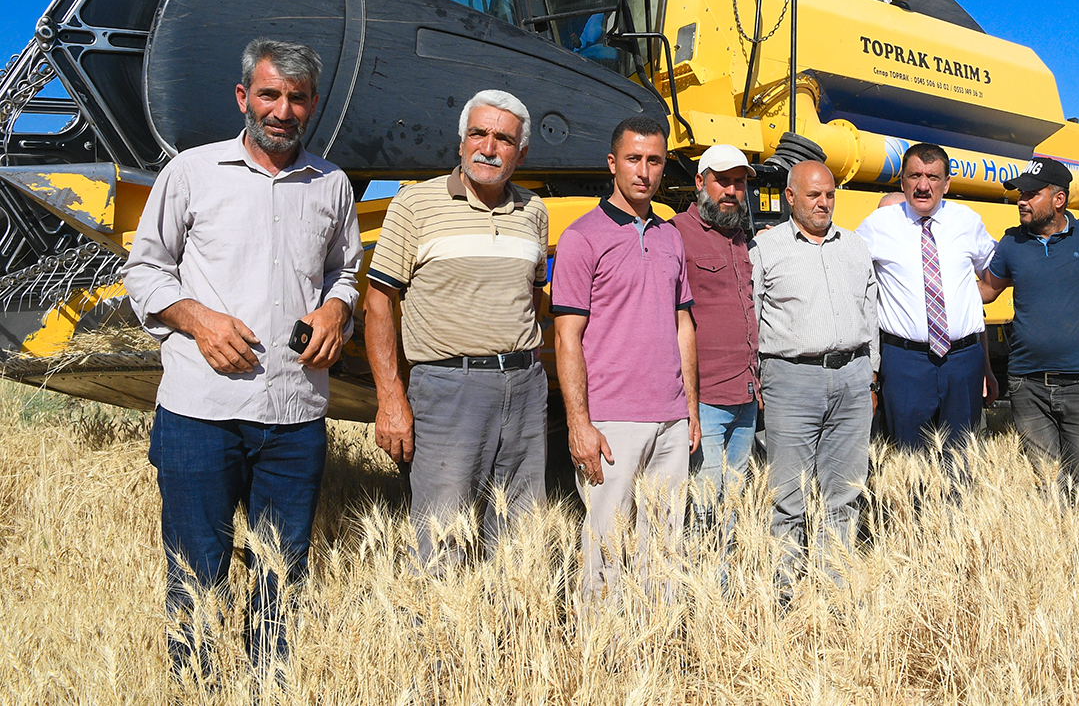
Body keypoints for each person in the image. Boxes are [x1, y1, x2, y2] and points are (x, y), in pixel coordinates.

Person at [124, 38, 362, 675]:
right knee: (196, 565)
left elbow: (345, 273)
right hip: (202, 411)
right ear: (243, 98)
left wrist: (337, 309)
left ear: (313, 105)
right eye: (269, 95)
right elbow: (144, 272)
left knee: (282, 570)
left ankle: (268, 683)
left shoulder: (331, 184)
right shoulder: (191, 173)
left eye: (297, 98)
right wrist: (197, 319)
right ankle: (196, 683)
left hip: (295, 413)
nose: (282, 110)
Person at [363, 90, 551, 567]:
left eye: (504, 139)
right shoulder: (414, 204)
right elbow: (379, 303)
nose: (489, 147)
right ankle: (441, 640)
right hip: (448, 388)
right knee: (442, 540)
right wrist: (390, 398)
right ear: (461, 142)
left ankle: (506, 635)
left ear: (521, 153)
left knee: (519, 540)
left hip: (525, 389)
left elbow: (531, 295)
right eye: (478, 134)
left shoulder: (534, 212)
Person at [551, 116, 699, 596]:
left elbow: (683, 325)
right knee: (607, 549)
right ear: (613, 163)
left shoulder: (670, 235)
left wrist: (690, 409)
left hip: (671, 419)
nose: (644, 171)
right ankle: (604, 654)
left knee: (664, 549)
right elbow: (566, 337)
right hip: (612, 422)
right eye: (634, 159)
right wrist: (579, 423)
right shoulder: (582, 237)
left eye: (654, 161)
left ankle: (656, 653)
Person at [751, 160, 878, 586]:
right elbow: (750, 318)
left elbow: (870, 309)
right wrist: (759, 378)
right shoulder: (766, 250)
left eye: (829, 195)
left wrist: (871, 373)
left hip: (853, 378)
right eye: (813, 195)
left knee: (844, 492)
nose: (824, 203)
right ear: (790, 197)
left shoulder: (854, 246)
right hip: (791, 380)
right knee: (788, 495)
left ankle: (833, 590)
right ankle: (784, 593)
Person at [979, 157, 1079, 497]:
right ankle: (1055, 549)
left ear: (1059, 199)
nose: (1021, 201)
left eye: (1031, 194)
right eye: (1019, 194)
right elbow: (986, 291)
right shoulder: (1011, 243)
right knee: (1046, 485)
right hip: (1028, 386)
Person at [856, 143, 998, 451]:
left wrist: (967, 301)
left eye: (933, 177)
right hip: (906, 362)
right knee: (909, 461)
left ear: (946, 183)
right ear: (902, 181)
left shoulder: (967, 221)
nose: (923, 185)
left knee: (961, 456)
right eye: (915, 176)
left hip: (963, 361)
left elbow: (994, 273)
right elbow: (844, 267)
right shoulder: (878, 225)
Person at [669, 144, 760, 528]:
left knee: (734, 502)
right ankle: (703, 582)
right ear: (699, 182)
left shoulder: (741, 236)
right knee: (703, 504)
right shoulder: (676, 232)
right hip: (706, 399)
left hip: (747, 395)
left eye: (738, 183)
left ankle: (726, 582)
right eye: (722, 181)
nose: (730, 191)